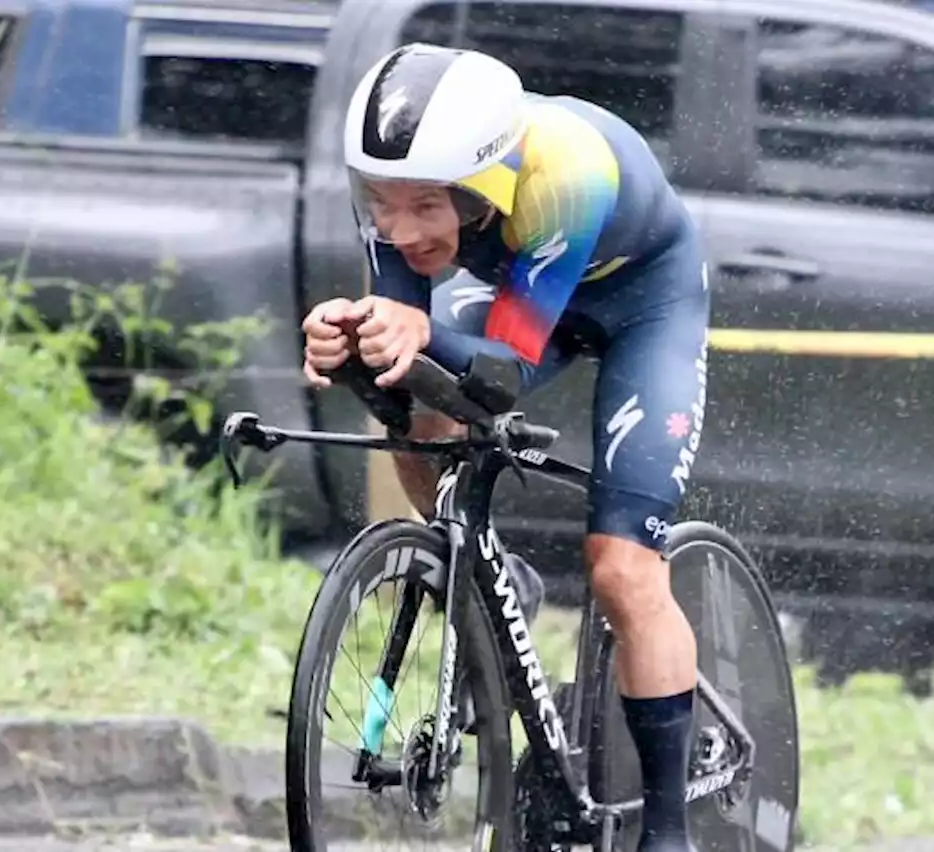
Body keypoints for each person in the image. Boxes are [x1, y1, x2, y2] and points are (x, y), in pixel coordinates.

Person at [301, 43, 710, 852]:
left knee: (623, 570)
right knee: (424, 405)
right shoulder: (400, 194)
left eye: (424, 207)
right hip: (528, 283)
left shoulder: (566, 174)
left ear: (480, 185)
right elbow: (406, 351)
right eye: (379, 203)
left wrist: (422, 333)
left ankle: (670, 832)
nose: (397, 227)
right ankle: (495, 575)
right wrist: (351, 346)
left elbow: (509, 372)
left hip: (644, 307)